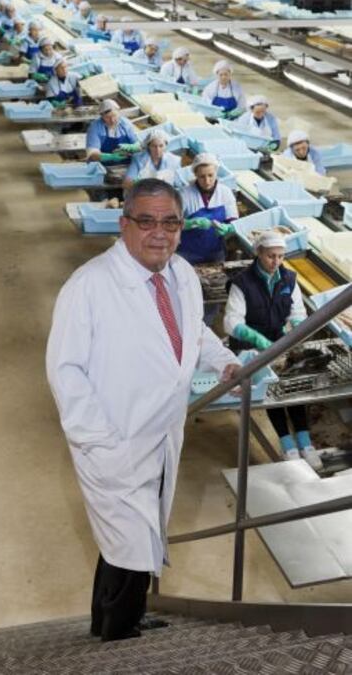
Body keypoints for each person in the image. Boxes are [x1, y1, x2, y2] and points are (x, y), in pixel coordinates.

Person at [46, 178, 241, 642]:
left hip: (162, 435)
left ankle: (113, 619)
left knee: (130, 541)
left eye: (170, 222)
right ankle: (119, 638)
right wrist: (100, 441)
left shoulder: (182, 275)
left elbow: (194, 332)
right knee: (129, 544)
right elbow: (65, 371)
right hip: (114, 439)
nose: (160, 232)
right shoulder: (90, 285)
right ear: (124, 224)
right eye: (147, 221)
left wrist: (225, 361)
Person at [223, 230, 323, 471]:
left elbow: (297, 313)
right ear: (258, 253)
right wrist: (258, 340)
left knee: (293, 385)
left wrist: (298, 330)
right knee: (272, 390)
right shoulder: (242, 282)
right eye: (271, 256)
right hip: (250, 344)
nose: (276, 262)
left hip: (279, 338)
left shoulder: (289, 278)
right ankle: (287, 444)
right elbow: (231, 322)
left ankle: (305, 441)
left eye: (280, 256)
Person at [178, 153, 238, 264]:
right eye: (202, 176)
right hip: (187, 253)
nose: (207, 181)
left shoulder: (225, 193)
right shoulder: (184, 194)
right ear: (195, 174)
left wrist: (228, 228)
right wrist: (189, 223)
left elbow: (235, 222)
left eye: (210, 175)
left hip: (216, 253)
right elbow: (170, 222)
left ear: (216, 172)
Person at [86, 99, 139, 165]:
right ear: (102, 117)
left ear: (119, 112)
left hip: (127, 166)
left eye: (114, 115)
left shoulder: (126, 124)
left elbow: (139, 145)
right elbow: (92, 155)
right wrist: (111, 157)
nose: (112, 120)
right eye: (107, 117)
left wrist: (132, 147)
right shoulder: (95, 128)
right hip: (104, 168)